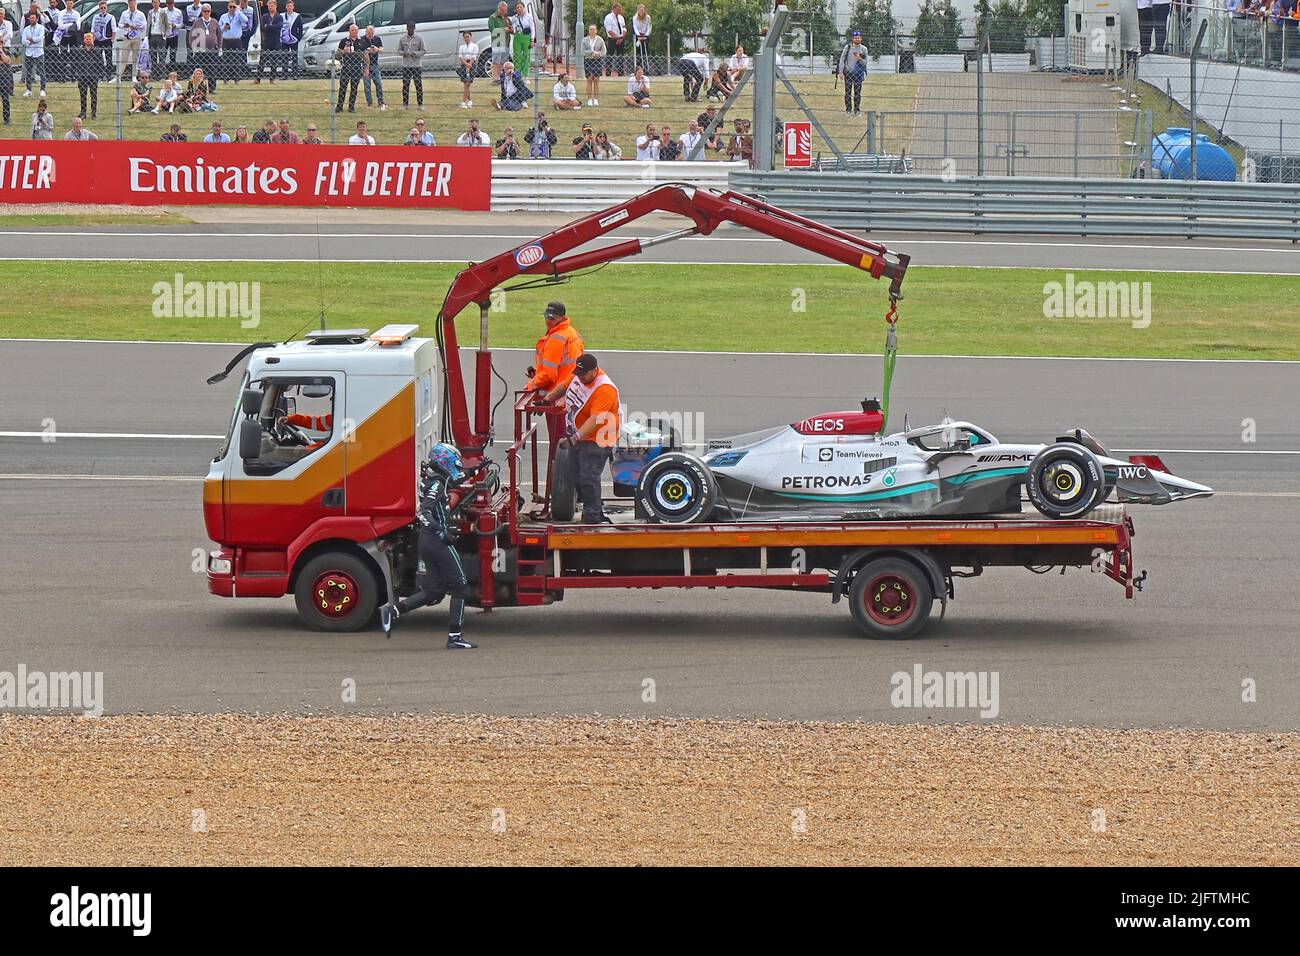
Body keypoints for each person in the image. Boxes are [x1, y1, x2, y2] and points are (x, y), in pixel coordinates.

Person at [380, 442, 476, 649]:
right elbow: (423, 513)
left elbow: (456, 479)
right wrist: (441, 532)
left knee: (434, 592)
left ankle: (393, 611)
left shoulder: (435, 480)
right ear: (445, 462)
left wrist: (474, 470)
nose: (457, 469)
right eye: (455, 464)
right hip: (437, 542)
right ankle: (455, 637)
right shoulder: (436, 485)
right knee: (460, 586)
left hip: (427, 541)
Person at [548, 353, 619, 525]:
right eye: (578, 373)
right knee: (574, 476)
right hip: (580, 436)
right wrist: (547, 399)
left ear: (595, 371)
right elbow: (564, 386)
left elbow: (594, 420)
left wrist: (574, 438)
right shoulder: (580, 377)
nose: (579, 377)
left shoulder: (604, 390)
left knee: (589, 477)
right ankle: (591, 505)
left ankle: (592, 516)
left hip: (597, 439)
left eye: (583, 374)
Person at [525, 301, 585, 451]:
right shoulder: (572, 333)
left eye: (551, 317)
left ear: (561, 317)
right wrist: (537, 376)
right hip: (572, 393)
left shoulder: (556, 339)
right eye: (546, 316)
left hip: (558, 397)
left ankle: (558, 473)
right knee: (567, 437)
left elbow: (549, 374)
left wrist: (530, 385)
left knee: (559, 444)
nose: (547, 320)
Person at [838, 30, 867, 115]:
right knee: (848, 92)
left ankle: (857, 110)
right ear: (853, 39)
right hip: (848, 72)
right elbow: (842, 59)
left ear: (861, 39)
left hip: (858, 73)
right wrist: (841, 72)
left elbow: (865, 63)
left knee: (858, 93)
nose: (857, 39)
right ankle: (848, 110)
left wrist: (859, 58)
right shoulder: (848, 47)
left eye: (858, 38)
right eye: (855, 38)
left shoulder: (864, 49)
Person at [334, 22, 361, 112]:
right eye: (352, 30)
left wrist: (366, 67)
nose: (354, 32)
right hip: (346, 67)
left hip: (356, 68)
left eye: (355, 30)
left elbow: (365, 55)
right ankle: (339, 107)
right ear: (349, 31)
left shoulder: (361, 41)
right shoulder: (343, 41)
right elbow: (337, 55)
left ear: (358, 31)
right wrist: (343, 52)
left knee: (354, 88)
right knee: (342, 87)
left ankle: (351, 107)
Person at [118, 0, 147, 80]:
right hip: (127, 37)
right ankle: (119, 76)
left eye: (133, 3)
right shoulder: (124, 13)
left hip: (136, 38)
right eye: (130, 4)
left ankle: (134, 75)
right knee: (124, 57)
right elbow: (119, 24)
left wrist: (135, 26)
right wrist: (124, 25)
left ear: (135, 4)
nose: (131, 5)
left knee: (135, 57)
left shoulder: (140, 14)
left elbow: (144, 25)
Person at [358, 22, 385, 110]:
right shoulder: (361, 40)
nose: (370, 35)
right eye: (369, 33)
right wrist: (367, 52)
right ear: (365, 32)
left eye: (372, 33)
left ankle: (381, 102)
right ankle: (369, 103)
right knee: (367, 85)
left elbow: (382, 49)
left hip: (375, 64)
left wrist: (377, 49)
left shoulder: (377, 39)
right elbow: (359, 52)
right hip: (365, 65)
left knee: (378, 83)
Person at [20, 11, 47, 99]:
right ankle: (29, 90)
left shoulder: (41, 27)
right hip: (29, 52)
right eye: (30, 18)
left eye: (33, 18)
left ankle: (42, 89)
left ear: (37, 19)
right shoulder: (26, 29)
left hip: (38, 52)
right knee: (28, 72)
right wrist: (31, 42)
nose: (31, 20)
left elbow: (40, 38)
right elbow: (23, 41)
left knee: (41, 71)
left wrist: (31, 39)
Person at [72, 34, 100, 118]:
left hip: (93, 76)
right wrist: (76, 74)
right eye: (86, 39)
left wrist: (99, 74)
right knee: (83, 95)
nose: (88, 40)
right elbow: (75, 63)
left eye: (90, 39)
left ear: (93, 40)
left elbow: (100, 64)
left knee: (94, 95)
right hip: (82, 76)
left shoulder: (97, 51)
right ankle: (83, 112)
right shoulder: (79, 51)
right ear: (84, 40)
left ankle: (93, 113)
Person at [218, 1, 245, 85]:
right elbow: (219, 29)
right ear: (228, 7)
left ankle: (237, 79)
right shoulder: (223, 16)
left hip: (236, 41)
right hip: (226, 40)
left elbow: (245, 20)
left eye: (234, 7)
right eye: (231, 7)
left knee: (237, 60)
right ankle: (225, 79)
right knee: (226, 61)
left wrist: (238, 11)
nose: (232, 8)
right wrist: (224, 27)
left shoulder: (238, 15)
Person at [403, 22, 429, 109]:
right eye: (408, 28)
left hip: (416, 65)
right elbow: (399, 50)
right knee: (405, 85)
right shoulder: (402, 38)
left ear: (414, 28)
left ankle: (420, 104)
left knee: (418, 85)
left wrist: (416, 54)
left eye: (412, 28)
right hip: (406, 65)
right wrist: (404, 53)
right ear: (406, 28)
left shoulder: (419, 38)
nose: (410, 29)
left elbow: (424, 50)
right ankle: (405, 104)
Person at [89, 1, 116, 81]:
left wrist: (112, 39)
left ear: (106, 8)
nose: (103, 9)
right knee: (97, 59)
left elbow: (114, 29)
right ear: (99, 8)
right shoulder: (95, 17)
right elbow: (92, 29)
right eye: (101, 8)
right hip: (98, 40)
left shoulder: (111, 17)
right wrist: (93, 39)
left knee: (108, 58)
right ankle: (99, 75)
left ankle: (108, 75)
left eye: (104, 8)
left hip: (107, 40)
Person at [253, 0, 279, 82]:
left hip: (275, 42)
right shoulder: (264, 17)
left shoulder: (279, 17)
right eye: (269, 6)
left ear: (275, 6)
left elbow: (279, 27)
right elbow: (262, 27)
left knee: (274, 61)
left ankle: (272, 79)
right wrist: (271, 27)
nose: (270, 7)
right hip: (266, 41)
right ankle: (258, 79)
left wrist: (268, 26)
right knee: (262, 61)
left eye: (272, 5)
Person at [581, 24, 604, 105]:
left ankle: (596, 99)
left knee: (596, 80)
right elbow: (582, 51)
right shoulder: (584, 40)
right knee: (589, 79)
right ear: (588, 31)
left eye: (593, 29)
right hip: (588, 60)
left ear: (596, 30)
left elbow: (604, 51)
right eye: (590, 29)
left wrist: (597, 54)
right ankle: (589, 99)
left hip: (597, 61)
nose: (592, 31)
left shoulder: (600, 39)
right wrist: (591, 52)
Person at [277, 0, 302, 78]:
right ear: (286, 7)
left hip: (294, 39)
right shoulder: (281, 15)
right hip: (284, 40)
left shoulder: (297, 16)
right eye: (288, 6)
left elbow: (300, 28)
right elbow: (279, 26)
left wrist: (298, 38)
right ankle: (284, 74)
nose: (289, 7)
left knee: (294, 57)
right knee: (284, 57)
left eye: (290, 6)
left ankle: (295, 74)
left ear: (293, 7)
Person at [509, 0, 532, 75]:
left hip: (526, 37)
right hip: (517, 37)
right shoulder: (514, 17)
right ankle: (517, 73)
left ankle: (525, 75)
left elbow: (532, 28)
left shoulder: (528, 16)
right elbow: (510, 24)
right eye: (517, 7)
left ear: (524, 8)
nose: (519, 9)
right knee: (517, 55)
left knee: (526, 56)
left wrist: (532, 40)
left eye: (520, 7)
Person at [603, 2, 626, 75]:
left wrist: (622, 37)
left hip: (621, 39)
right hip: (612, 39)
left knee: (621, 55)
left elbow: (624, 28)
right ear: (613, 9)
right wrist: (617, 37)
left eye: (620, 10)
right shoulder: (608, 17)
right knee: (610, 55)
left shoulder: (621, 17)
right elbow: (609, 30)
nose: (619, 11)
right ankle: (608, 72)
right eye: (618, 10)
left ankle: (620, 72)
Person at [487, 1, 508, 81]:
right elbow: (492, 30)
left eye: (505, 10)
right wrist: (503, 30)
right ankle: (495, 79)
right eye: (502, 10)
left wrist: (510, 29)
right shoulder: (492, 17)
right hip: (497, 42)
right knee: (496, 62)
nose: (504, 12)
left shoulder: (506, 18)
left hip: (506, 42)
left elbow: (509, 26)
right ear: (498, 9)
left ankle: (501, 78)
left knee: (503, 62)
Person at [453, 28, 474, 108]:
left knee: (467, 84)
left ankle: (463, 102)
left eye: (468, 37)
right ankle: (469, 101)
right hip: (464, 65)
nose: (466, 38)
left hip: (471, 65)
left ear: (471, 37)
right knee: (466, 84)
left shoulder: (474, 46)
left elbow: (473, 57)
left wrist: (469, 65)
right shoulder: (462, 47)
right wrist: (466, 64)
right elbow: (461, 57)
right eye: (465, 37)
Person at [630, 3, 650, 72]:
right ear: (638, 11)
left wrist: (646, 36)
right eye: (640, 10)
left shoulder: (648, 17)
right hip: (638, 36)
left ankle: (646, 68)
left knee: (645, 52)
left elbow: (649, 27)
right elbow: (635, 28)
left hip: (645, 36)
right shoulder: (635, 18)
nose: (641, 12)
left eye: (642, 10)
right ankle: (638, 69)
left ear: (644, 10)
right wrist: (639, 36)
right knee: (638, 52)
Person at [0, 36, 12, 125]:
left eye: (1, 42)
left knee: (5, 99)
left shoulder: (7, 52)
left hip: (4, 80)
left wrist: (0, 51)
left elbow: (7, 61)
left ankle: (6, 119)